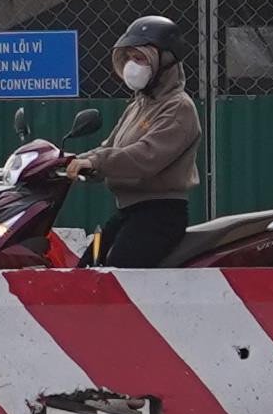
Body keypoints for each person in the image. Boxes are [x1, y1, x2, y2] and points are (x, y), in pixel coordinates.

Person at [66, 14, 204, 267]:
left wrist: (95, 161)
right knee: (87, 267)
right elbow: (111, 148)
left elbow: (144, 156)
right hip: (130, 212)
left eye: (140, 58)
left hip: (160, 215)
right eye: (129, 58)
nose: (132, 65)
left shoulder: (178, 107)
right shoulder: (139, 105)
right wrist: (73, 161)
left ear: (165, 60)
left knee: (118, 270)